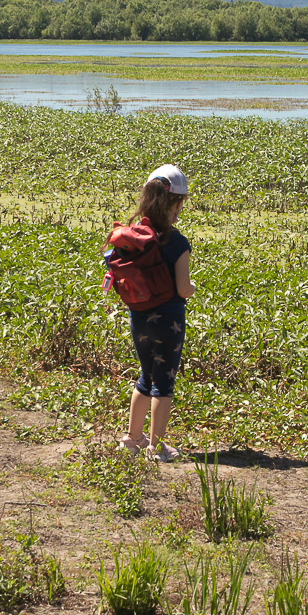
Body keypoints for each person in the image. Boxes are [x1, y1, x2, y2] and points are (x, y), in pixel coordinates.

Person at [118, 164, 194, 462]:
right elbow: (183, 288)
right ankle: (157, 447)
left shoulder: (135, 238)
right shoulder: (177, 242)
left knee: (145, 376)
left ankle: (133, 438)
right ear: (176, 203)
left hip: (138, 318)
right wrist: (192, 289)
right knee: (164, 382)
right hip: (169, 323)